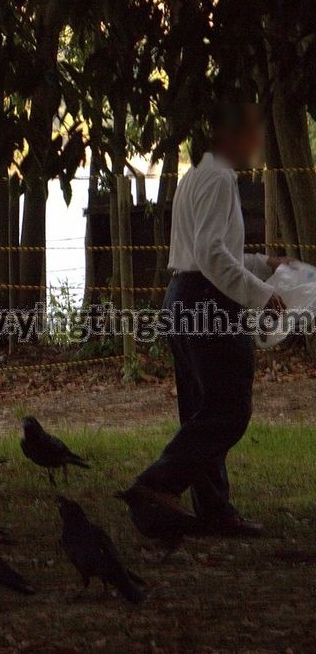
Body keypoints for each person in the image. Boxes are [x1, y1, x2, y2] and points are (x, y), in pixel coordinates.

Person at [125, 92, 290, 537]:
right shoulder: (219, 179)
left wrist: (262, 265)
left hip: (183, 295)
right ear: (228, 133)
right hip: (208, 301)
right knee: (229, 410)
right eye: (252, 129)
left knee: (201, 410)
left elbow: (211, 252)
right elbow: (212, 255)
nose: (257, 139)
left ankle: (214, 511)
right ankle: (154, 486)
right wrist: (261, 294)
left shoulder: (195, 176)